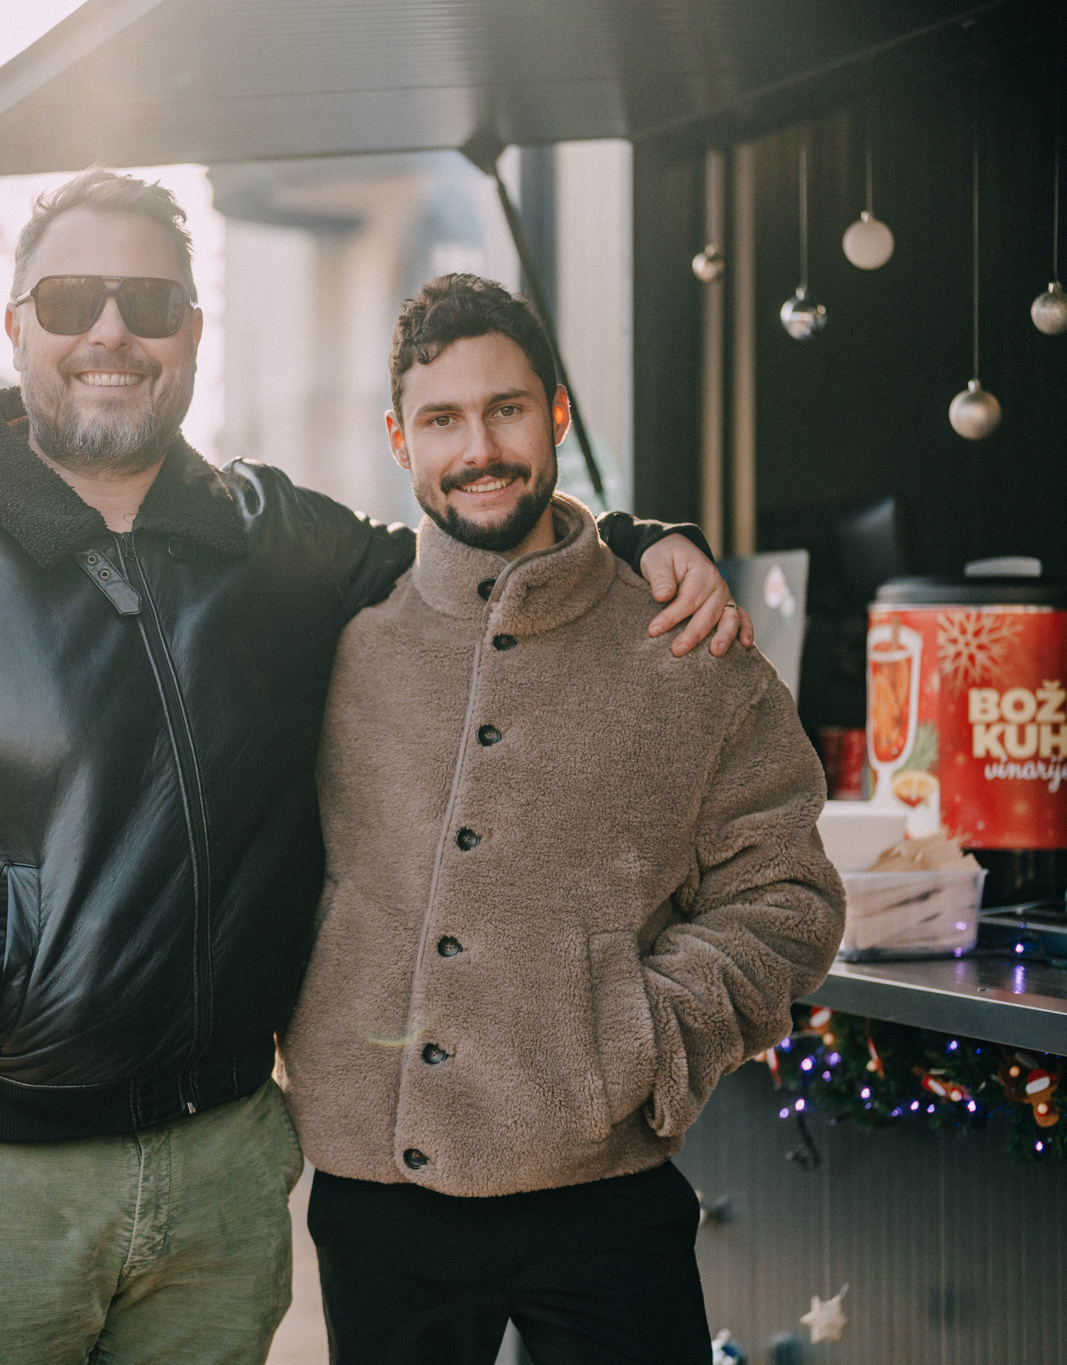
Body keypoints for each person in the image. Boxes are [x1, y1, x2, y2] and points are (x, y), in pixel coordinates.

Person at [0, 172, 745, 1364]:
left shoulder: (277, 541)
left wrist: (635, 536)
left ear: (191, 334)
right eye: (71, 299)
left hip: (220, 1167)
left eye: (147, 301)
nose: (111, 330)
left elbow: (474, 554)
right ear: (15, 328)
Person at [279, 274, 845, 1365]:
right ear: (400, 439)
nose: (477, 446)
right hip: (376, 1188)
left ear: (556, 414)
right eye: (442, 419)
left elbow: (786, 896)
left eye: (505, 409)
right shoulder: (339, 644)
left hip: (606, 1190)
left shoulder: (686, 645)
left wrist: (637, 1042)